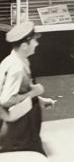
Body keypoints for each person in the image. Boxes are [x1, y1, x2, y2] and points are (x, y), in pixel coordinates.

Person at [0, 21, 55, 155]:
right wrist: (34, 92)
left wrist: (39, 99)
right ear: (24, 45)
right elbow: (6, 100)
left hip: (23, 124)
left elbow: (19, 89)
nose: (37, 44)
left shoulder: (16, 60)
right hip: (18, 129)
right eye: (34, 41)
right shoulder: (17, 68)